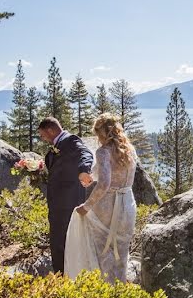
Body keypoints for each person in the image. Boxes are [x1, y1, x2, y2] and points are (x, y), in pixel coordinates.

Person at [65, 113, 138, 283]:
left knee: (103, 252)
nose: (97, 138)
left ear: (102, 133)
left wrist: (87, 206)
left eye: (97, 133)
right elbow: (113, 173)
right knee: (122, 251)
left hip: (108, 206)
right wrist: (91, 176)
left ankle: (106, 293)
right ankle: (121, 291)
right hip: (128, 202)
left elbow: (105, 184)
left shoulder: (103, 152)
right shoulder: (130, 150)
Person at [37, 117, 93, 275]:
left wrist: (84, 170)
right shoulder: (56, 146)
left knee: (64, 242)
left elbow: (86, 153)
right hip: (57, 203)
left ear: (51, 130)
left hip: (69, 202)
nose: (43, 139)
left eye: (43, 135)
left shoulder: (71, 141)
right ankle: (61, 276)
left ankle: (65, 276)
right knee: (57, 241)